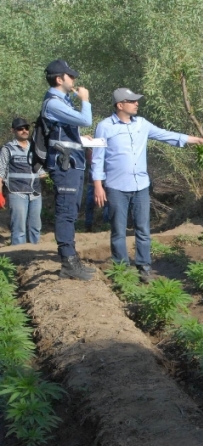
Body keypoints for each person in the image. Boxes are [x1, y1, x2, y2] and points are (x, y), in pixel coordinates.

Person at [91, 88, 203, 283]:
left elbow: (165, 135)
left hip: (141, 186)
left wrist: (192, 140)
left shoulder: (142, 124)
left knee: (143, 229)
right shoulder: (104, 127)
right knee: (119, 230)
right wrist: (98, 185)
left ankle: (144, 268)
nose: (137, 103)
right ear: (120, 105)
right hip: (116, 186)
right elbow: (97, 158)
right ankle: (121, 270)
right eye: (132, 101)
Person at [42, 59, 96, 280]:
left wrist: (80, 139)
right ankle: (68, 263)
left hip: (71, 164)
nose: (73, 80)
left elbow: (60, 133)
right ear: (59, 79)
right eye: (70, 76)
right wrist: (85, 100)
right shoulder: (54, 103)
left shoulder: (61, 103)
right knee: (66, 213)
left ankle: (72, 260)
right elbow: (86, 119)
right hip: (65, 166)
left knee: (71, 212)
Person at [0, 118, 46, 245]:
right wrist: (0, 194)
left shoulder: (35, 147)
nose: (24, 131)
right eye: (20, 129)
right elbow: (1, 172)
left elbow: (40, 169)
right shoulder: (7, 149)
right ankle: (17, 258)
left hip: (35, 193)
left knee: (35, 228)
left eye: (26, 128)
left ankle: (34, 256)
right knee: (19, 229)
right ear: (13, 130)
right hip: (17, 193)